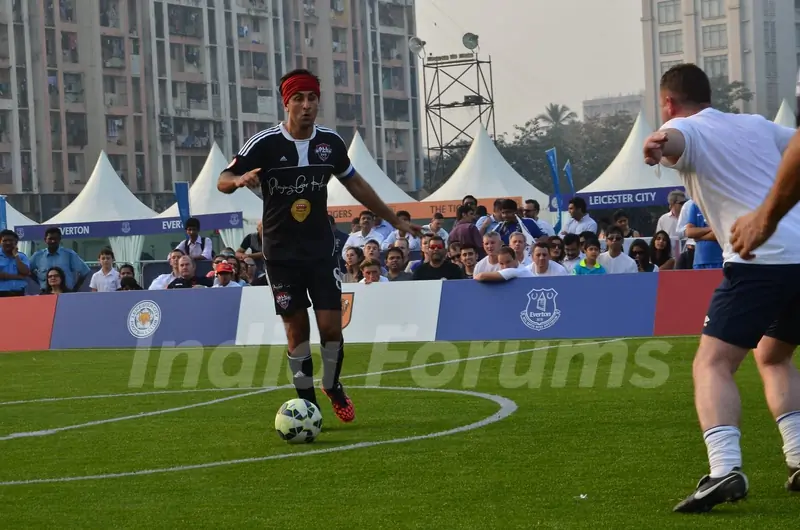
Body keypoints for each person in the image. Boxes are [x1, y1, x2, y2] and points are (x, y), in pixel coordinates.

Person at [217, 68, 421, 423]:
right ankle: (306, 402)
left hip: (320, 250)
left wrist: (394, 219)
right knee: (296, 331)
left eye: (312, 98)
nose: (307, 106)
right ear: (287, 103)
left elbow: (357, 185)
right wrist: (239, 180)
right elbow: (223, 179)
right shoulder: (264, 143)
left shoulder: (330, 143)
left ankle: (332, 384)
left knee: (331, 328)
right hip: (280, 254)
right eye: (299, 99)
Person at [643, 63, 800, 512]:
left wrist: (657, 142)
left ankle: (723, 471)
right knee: (772, 354)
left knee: (711, 364)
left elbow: (675, 139)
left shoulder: (681, 126)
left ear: (669, 102)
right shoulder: (755, 124)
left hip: (760, 259)